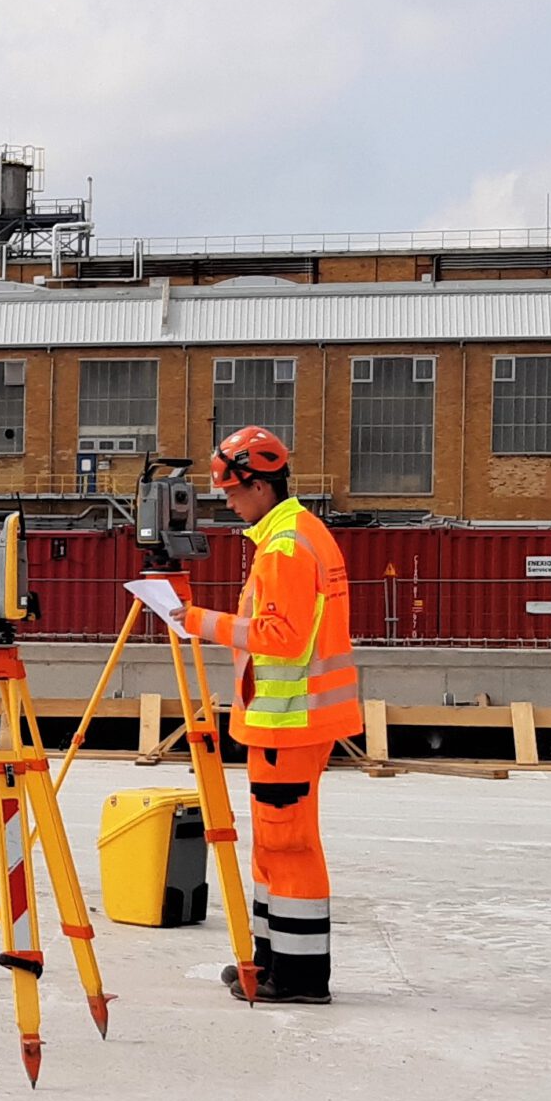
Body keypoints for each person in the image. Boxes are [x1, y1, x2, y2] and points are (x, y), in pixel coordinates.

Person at [173, 426, 360, 1004]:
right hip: (287, 720)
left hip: (291, 720)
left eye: (231, 490)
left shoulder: (285, 546)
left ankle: (299, 976)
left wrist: (196, 620)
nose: (226, 502)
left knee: (288, 846)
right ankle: (268, 959)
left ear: (257, 483)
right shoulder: (296, 533)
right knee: (273, 845)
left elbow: (280, 636)